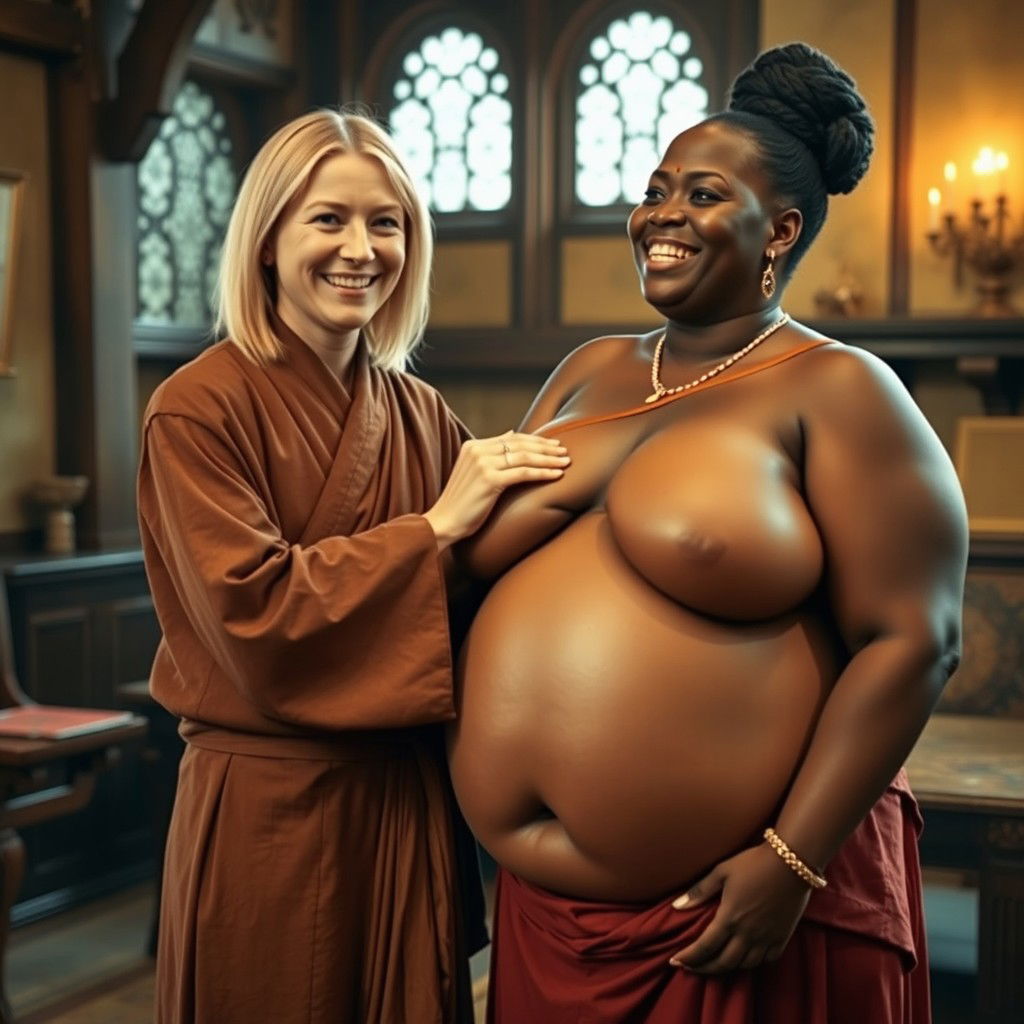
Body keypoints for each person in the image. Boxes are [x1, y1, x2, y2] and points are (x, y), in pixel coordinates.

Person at [448, 43, 968, 1023]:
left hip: (730, 917)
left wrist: (792, 860)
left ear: (778, 229)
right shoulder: (587, 367)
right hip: (538, 917)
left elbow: (913, 639)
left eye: (700, 194)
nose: (661, 216)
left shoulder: (841, 390)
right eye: (654, 191)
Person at [137, 109, 570, 1024]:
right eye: (327, 219)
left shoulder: (420, 412)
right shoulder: (197, 409)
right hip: (269, 811)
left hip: (406, 803)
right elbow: (254, 613)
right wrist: (435, 528)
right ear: (268, 239)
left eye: (387, 223)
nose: (360, 249)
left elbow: (479, 605)